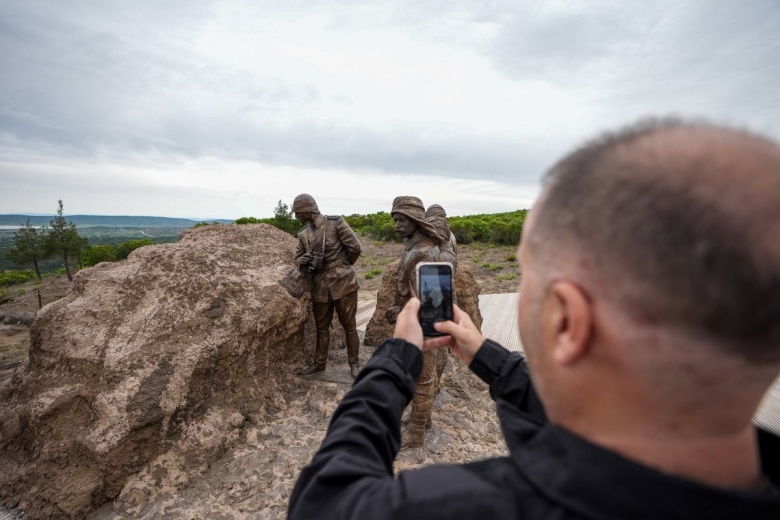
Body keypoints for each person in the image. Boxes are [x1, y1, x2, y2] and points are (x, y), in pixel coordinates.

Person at [288, 120, 780, 519]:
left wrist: (395, 361)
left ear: (569, 321)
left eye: (528, 274)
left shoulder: (472, 505)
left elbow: (323, 500)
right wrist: (491, 360)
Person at [385, 196, 444, 448]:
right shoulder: (413, 245)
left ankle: (416, 433)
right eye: (395, 219)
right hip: (416, 321)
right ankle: (422, 420)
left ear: (414, 221)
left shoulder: (423, 252)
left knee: (422, 380)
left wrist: (426, 333)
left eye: (401, 219)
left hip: (423, 326)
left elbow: (432, 300)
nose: (397, 225)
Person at [293, 194, 363, 378]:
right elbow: (297, 258)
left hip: (344, 283)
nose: (296, 216)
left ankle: (354, 364)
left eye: (298, 212)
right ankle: (319, 363)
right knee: (321, 327)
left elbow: (355, 248)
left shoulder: (336, 223)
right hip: (320, 287)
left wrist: (343, 266)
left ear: (309, 209)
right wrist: (303, 259)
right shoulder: (303, 234)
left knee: (349, 326)